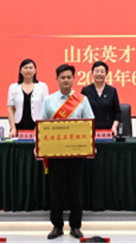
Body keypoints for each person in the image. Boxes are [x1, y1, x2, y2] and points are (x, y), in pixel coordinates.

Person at [39, 64, 95, 240]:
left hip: (76, 153)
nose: (66, 80)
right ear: (57, 79)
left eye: (69, 77)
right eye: (62, 77)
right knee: (55, 192)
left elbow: (90, 123)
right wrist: (38, 146)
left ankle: (75, 226)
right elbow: (41, 124)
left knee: (76, 192)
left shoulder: (82, 100)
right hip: (55, 154)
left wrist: (90, 144)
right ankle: (57, 226)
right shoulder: (49, 100)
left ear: (73, 79)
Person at [7, 58, 49, 137]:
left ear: (35, 70)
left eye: (30, 68)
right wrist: (13, 127)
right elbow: (10, 109)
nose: (28, 70)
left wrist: (41, 126)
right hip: (18, 126)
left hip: (37, 126)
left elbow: (45, 108)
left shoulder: (43, 87)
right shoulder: (13, 87)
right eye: (25, 68)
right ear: (20, 71)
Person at [81, 61, 121, 135]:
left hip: (109, 130)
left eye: (102, 72)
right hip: (90, 130)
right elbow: (81, 112)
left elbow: (117, 113)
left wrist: (114, 127)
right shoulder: (86, 90)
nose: (99, 74)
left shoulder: (112, 90)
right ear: (92, 73)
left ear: (106, 74)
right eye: (96, 71)